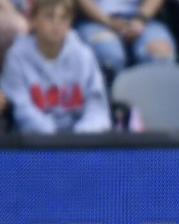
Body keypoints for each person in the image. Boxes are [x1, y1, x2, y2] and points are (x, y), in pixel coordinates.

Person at [1, 0, 111, 134]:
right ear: (34, 20)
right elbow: (21, 108)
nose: (56, 24)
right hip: (35, 145)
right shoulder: (17, 57)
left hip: (80, 145)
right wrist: (54, 139)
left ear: (71, 22)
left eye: (63, 18)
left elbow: (97, 107)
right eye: (49, 16)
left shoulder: (84, 56)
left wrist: (78, 138)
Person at [74, 0, 176, 74]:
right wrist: (108, 22)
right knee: (110, 56)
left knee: (162, 55)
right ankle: (115, 102)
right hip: (96, 20)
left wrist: (140, 20)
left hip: (144, 19)